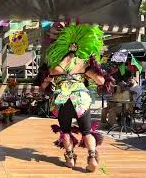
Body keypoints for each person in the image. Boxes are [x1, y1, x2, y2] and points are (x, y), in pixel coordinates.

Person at [35, 22, 108, 172]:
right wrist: (92, 72)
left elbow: (42, 86)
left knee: (65, 131)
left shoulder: (55, 66)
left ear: (60, 48)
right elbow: (101, 81)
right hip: (81, 98)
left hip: (62, 100)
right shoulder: (82, 63)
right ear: (79, 47)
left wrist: (50, 79)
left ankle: (70, 159)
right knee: (86, 131)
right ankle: (92, 157)